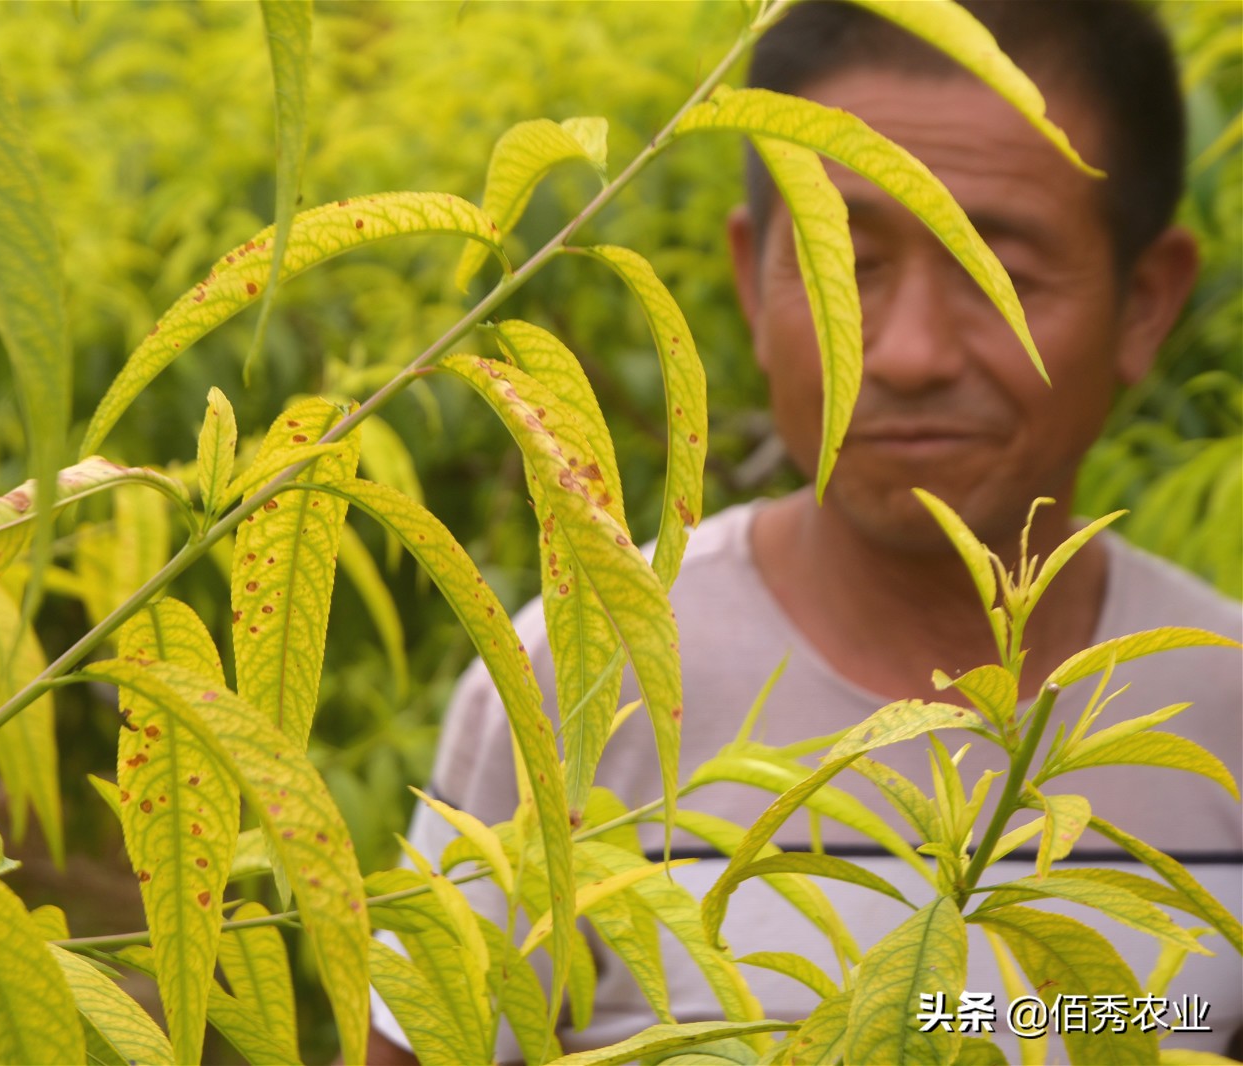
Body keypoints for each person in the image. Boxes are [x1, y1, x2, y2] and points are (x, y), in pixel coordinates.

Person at [369, 1, 1242, 1061]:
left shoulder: (1224, 716)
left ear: (1144, 304)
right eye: (847, 266)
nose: (912, 352)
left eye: (993, 269)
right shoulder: (581, 680)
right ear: (750, 277)